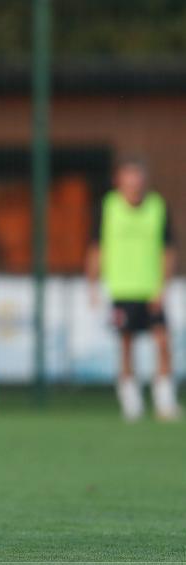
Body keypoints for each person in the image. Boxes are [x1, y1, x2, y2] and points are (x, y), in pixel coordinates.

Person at [87, 157, 181, 422]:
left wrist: (163, 285)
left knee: (163, 342)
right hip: (122, 289)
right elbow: (96, 246)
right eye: (128, 179)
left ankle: (165, 401)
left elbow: (168, 249)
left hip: (151, 288)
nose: (133, 184)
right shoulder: (108, 207)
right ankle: (131, 402)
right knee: (126, 344)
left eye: (137, 179)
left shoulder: (156, 207)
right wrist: (92, 283)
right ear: (120, 181)